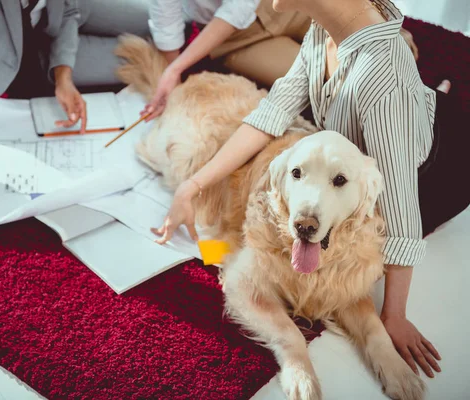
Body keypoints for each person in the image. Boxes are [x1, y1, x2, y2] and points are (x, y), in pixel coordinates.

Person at [152, 0, 470, 378]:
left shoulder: (383, 81)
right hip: (402, 121)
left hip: (437, 174)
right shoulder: (326, 28)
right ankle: (428, 99)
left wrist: (393, 316)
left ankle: (426, 102)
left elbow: (401, 207)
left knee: (370, 216)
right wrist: (193, 185)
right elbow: (273, 113)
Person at [0, 0, 149, 227]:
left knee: (172, 26)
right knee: (147, 58)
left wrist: (63, 75)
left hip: (61, 20)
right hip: (3, 61)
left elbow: (68, 9)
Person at [143, 0, 419, 121]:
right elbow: (165, 20)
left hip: (281, 3)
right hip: (232, 38)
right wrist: (173, 76)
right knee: (330, 81)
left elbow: (239, 4)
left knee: (383, 36)